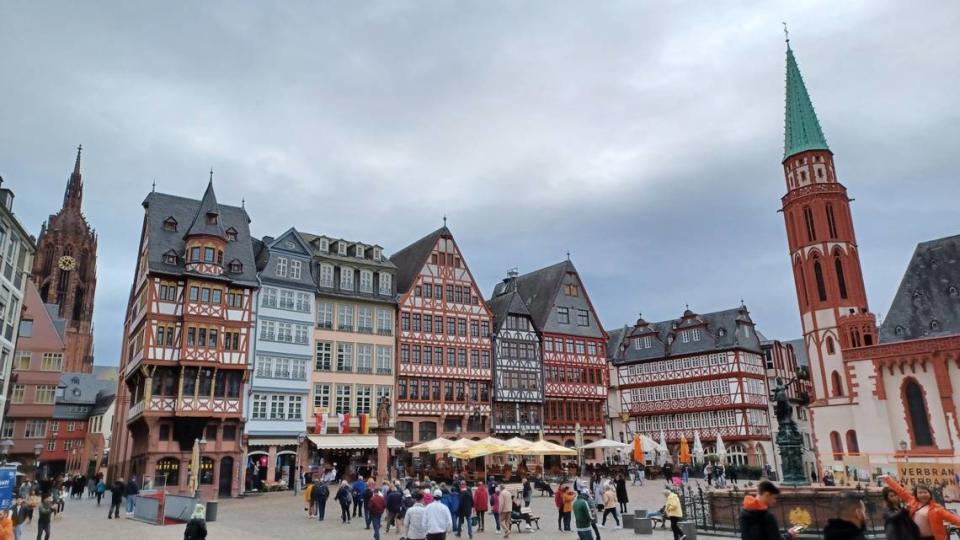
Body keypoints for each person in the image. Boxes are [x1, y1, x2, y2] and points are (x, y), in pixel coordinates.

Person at [884, 477, 960, 540]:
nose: (923, 494)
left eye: (925, 492)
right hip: (916, 537)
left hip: (932, 538)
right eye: (920, 493)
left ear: (929, 494)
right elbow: (901, 491)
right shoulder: (913, 502)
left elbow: (953, 518)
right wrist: (888, 479)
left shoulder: (937, 509)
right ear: (916, 495)